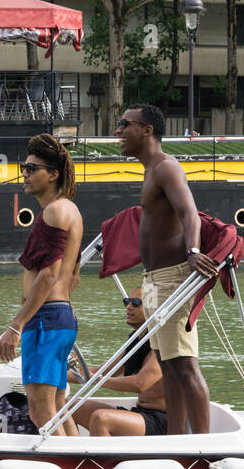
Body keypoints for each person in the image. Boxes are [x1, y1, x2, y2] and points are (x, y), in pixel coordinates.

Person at [116, 103, 219, 434]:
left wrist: (193, 251)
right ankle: (176, 440)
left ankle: (203, 447)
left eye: (125, 124)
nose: (118, 131)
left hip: (172, 280)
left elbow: (190, 212)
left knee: (185, 367)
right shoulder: (150, 169)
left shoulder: (165, 167)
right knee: (168, 366)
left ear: (147, 130)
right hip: (153, 282)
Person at [0, 134, 84, 436]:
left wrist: (15, 326)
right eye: (24, 167)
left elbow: (49, 275)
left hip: (45, 320)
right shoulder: (70, 210)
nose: (25, 174)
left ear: (53, 174)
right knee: (57, 404)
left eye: (33, 168)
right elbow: (74, 275)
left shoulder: (55, 211)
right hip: (60, 317)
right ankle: (81, 460)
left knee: (40, 410)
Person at [70, 287, 168, 437]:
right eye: (127, 302)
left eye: (136, 303)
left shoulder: (161, 342)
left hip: (161, 421)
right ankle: (75, 456)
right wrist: (57, 372)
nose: (128, 307)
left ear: (153, 308)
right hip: (140, 413)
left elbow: (140, 383)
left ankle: (99, 460)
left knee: (101, 418)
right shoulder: (137, 339)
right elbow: (102, 371)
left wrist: (97, 380)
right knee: (69, 406)